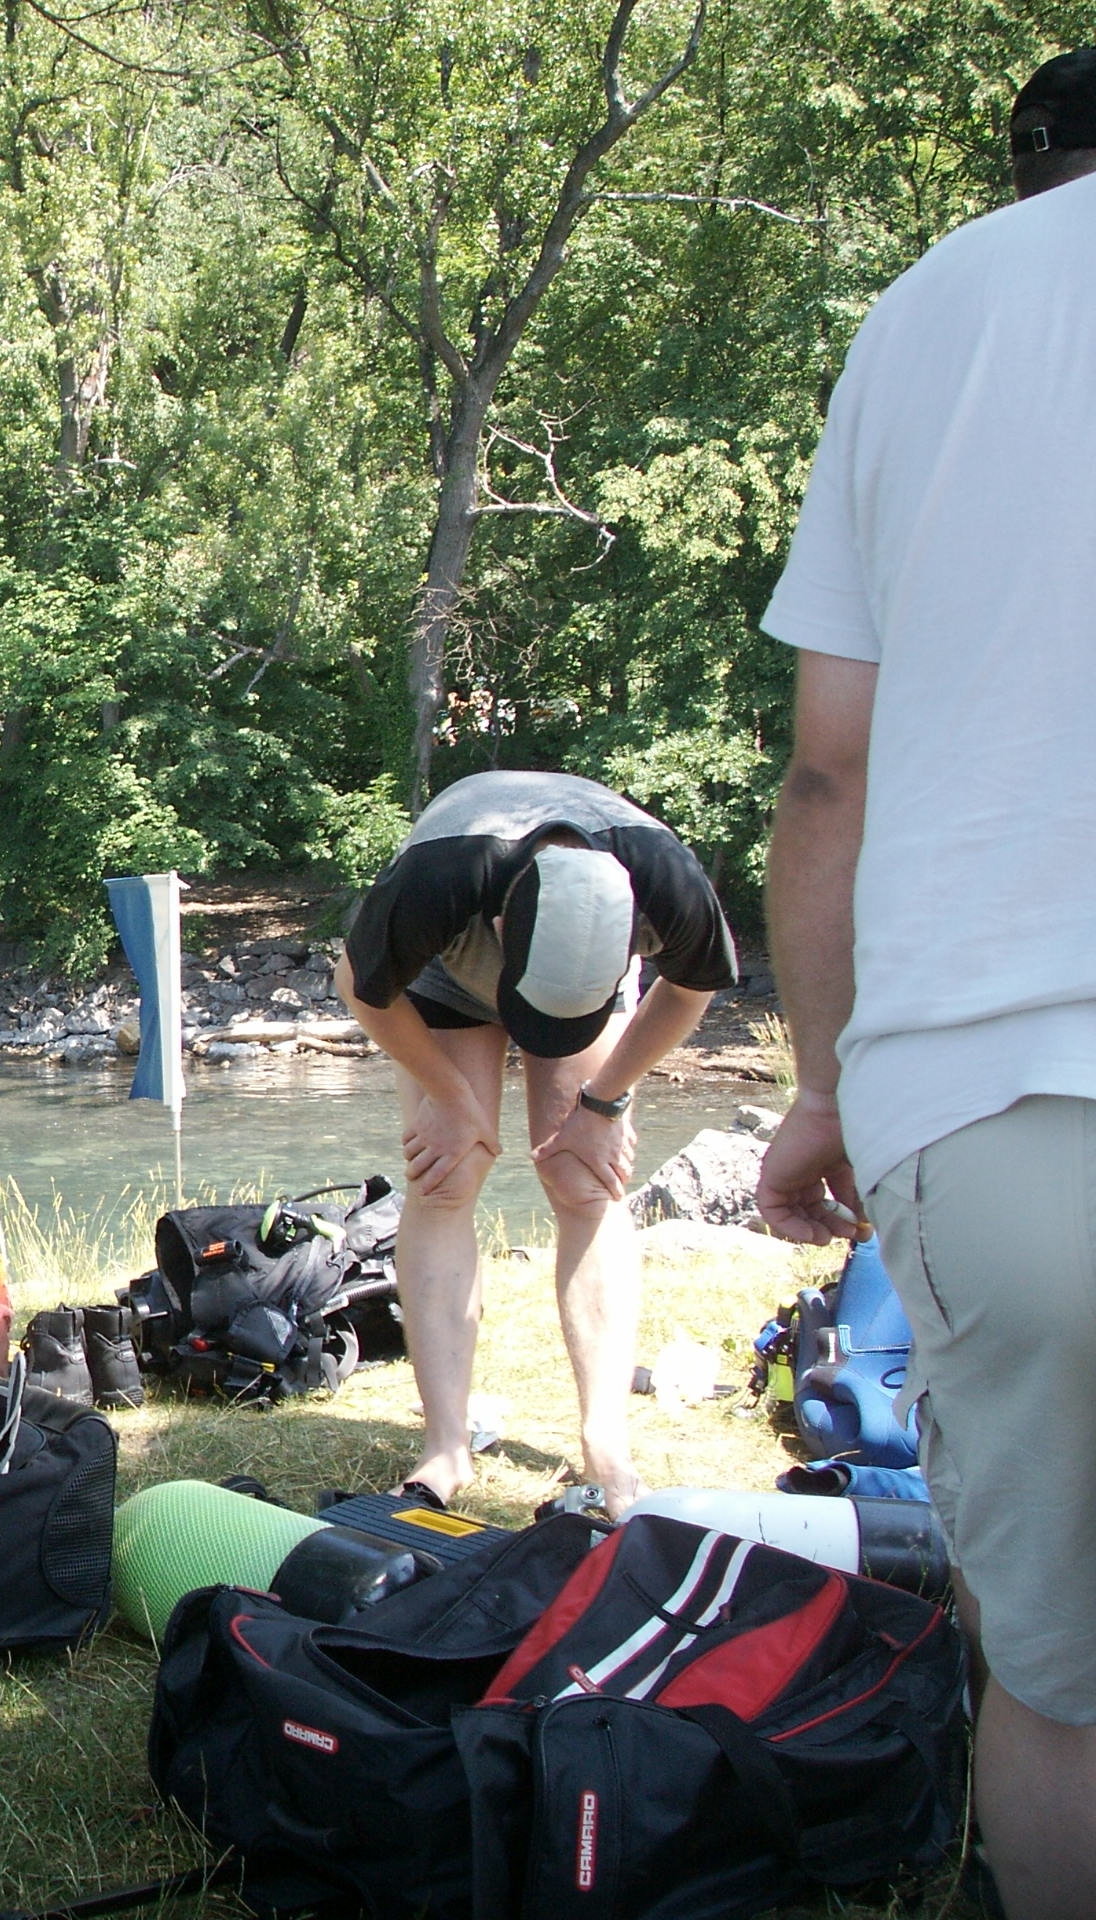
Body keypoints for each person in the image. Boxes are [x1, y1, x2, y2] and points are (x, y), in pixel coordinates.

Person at [754, 52, 1096, 1920]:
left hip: (992, 1095)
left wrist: (822, 1088)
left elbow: (833, 773)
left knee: (1057, 1677)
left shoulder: (929, 311)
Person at [335, 769, 738, 1515]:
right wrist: (451, 1099)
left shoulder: (668, 880)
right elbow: (360, 987)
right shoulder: (441, 877)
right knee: (446, 1176)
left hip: (592, 976)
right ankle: (446, 1445)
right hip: (448, 974)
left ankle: (606, 1442)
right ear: (498, 925)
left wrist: (605, 1101)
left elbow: (690, 989)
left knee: (587, 1178)